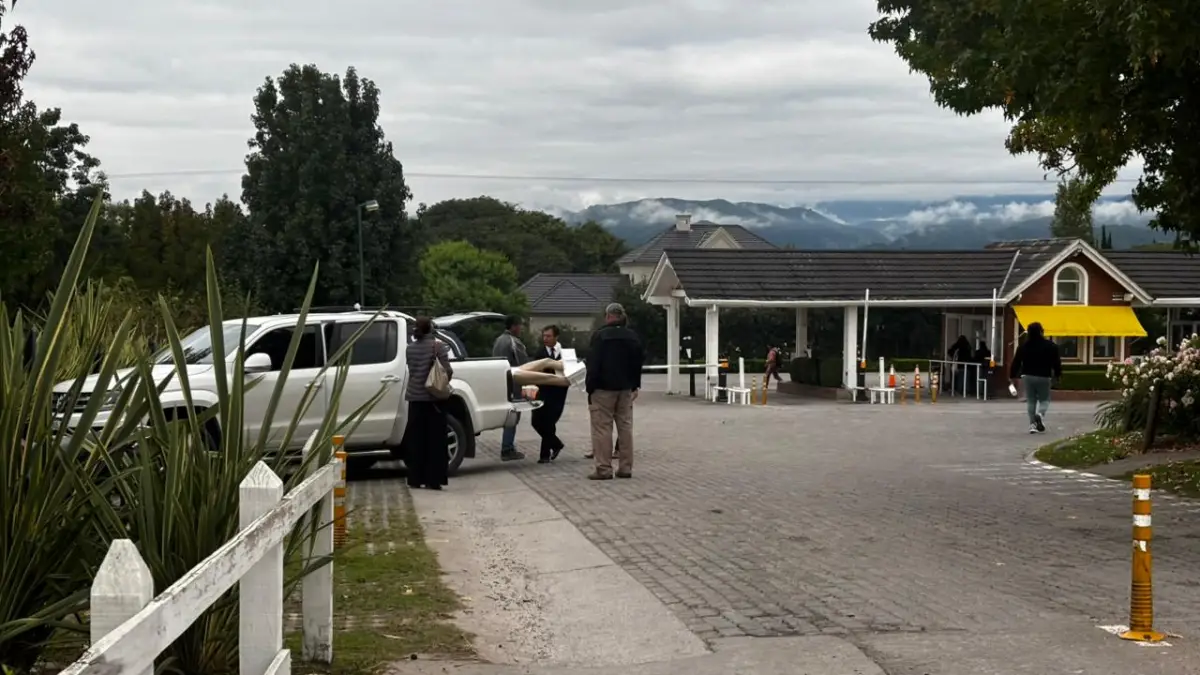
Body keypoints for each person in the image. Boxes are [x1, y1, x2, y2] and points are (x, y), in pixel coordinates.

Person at [585, 303, 644, 480]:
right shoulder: (633, 337)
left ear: (609, 316)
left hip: (603, 389)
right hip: (625, 389)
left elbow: (593, 364)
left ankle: (603, 468)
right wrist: (635, 385)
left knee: (602, 428)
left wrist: (590, 388)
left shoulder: (600, 336)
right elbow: (638, 362)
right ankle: (625, 467)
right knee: (625, 428)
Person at [405, 316, 453, 490]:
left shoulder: (409, 349)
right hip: (434, 400)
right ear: (430, 328)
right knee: (436, 441)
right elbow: (447, 370)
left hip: (415, 399)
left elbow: (412, 370)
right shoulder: (438, 347)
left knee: (417, 440)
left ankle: (415, 478)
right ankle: (434, 480)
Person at [1009, 321, 1062, 434]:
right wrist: (1058, 375)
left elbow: (1016, 362)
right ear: (1041, 332)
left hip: (1027, 376)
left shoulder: (1023, 347)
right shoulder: (1051, 346)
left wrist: (1012, 376)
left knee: (1031, 400)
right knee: (1045, 399)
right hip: (1044, 376)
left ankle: (1032, 425)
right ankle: (1040, 414)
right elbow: (1056, 363)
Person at [492, 315, 529, 461]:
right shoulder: (514, 342)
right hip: (513, 383)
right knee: (513, 415)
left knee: (508, 414)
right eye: (519, 326)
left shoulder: (498, 340)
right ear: (513, 326)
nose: (521, 329)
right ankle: (507, 448)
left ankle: (507, 446)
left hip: (500, 382)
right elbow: (524, 363)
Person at [531, 325, 567, 463]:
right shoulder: (540, 353)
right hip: (542, 391)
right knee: (536, 421)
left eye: (548, 336)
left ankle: (544, 455)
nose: (545, 339)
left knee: (549, 422)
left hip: (558, 392)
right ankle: (556, 444)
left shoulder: (564, 352)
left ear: (556, 337)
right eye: (544, 336)